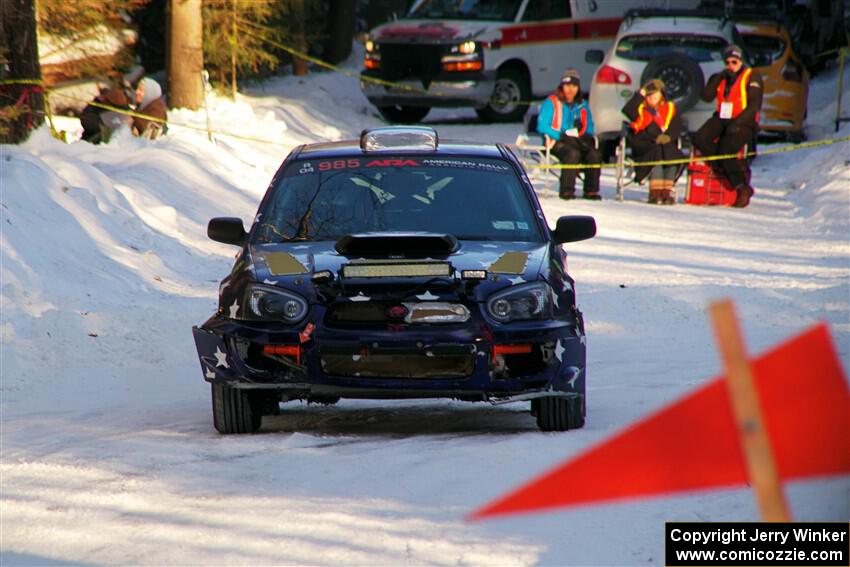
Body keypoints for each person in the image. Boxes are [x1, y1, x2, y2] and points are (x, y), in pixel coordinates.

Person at [692, 45, 763, 208]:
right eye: (728, 62)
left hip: (744, 120)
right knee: (700, 138)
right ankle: (724, 168)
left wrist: (737, 123)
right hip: (722, 116)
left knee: (726, 149)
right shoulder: (721, 76)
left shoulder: (752, 76)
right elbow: (706, 97)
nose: (731, 65)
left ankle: (742, 187)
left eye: (734, 62)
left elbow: (754, 106)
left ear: (741, 61)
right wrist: (718, 78)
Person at [536, 69, 601, 200]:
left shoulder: (582, 105)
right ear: (561, 86)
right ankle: (566, 190)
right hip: (556, 142)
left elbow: (590, 127)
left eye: (574, 86)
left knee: (594, 154)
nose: (570, 90)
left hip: (577, 140)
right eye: (567, 86)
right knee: (572, 154)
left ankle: (591, 190)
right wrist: (559, 135)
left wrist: (583, 133)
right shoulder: (552, 102)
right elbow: (542, 126)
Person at [621, 79, 684, 205]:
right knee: (657, 153)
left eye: (655, 94)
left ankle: (666, 192)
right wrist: (641, 93)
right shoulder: (640, 107)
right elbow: (627, 111)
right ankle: (655, 193)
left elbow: (676, 127)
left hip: (664, 143)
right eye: (649, 94)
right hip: (644, 144)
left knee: (672, 155)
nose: (652, 97)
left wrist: (668, 136)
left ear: (662, 94)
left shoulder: (670, 108)